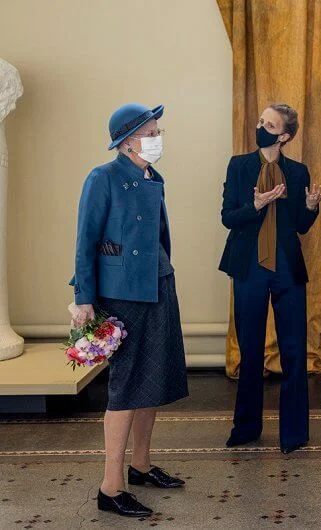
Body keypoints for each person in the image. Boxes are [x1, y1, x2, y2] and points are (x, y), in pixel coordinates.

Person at [70, 103, 189, 517]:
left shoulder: (153, 177)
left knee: (152, 380)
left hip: (158, 285)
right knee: (124, 388)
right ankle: (111, 485)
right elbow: (85, 240)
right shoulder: (102, 178)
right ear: (127, 141)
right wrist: (84, 297)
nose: (158, 139)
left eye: (159, 131)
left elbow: (159, 238)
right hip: (122, 295)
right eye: (152, 132)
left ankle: (140, 465)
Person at [218, 103, 321, 454]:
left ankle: (294, 434)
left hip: (287, 271)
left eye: (269, 124)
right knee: (250, 351)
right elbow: (228, 218)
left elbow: (299, 224)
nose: (260, 126)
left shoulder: (297, 172)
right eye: (260, 121)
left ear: (283, 135)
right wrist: (256, 205)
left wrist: (311, 206)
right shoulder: (239, 166)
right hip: (249, 269)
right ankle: (247, 428)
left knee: (294, 352)